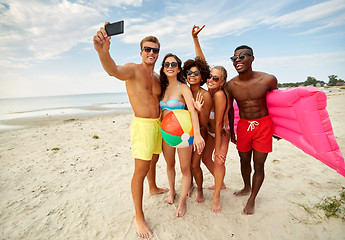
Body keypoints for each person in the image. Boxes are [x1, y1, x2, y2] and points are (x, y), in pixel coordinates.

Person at [93, 22, 168, 238]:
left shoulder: (156, 77)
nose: (151, 53)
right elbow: (113, 71)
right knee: (140, 171)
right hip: (143, 126)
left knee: (154, 159)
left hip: (158, 124)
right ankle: (139, 216)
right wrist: (103, 54)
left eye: (155, 50)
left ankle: (153, 187)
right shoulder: (133, 69)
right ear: (141, 51)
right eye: (147, 49)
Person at [224, 45, 278, 215]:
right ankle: (246, 186)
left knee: (259, 164)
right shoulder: (230, 85)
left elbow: (277, 104)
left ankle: (252, 198)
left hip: (263, 125)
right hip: (243, 126)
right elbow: (231, 110)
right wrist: (232, 131)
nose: (237, 61)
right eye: (234, 58)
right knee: (243, 160)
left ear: (252, 58)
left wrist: (279, 129)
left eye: (242, 57)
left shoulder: (268, 80)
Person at [159, 53, 205, 217]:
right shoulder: (161, 87)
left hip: (184, 134)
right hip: (167, 134)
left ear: (178, 68)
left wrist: (197, 135)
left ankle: (183, 202)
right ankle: (172, 191)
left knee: (185, 169)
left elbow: (192, 111)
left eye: (173, 64)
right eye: (166, 64)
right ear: (163, 68)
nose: (170, 67)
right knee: (169, 165)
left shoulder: (183, 87)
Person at [192, 25, 232, 212]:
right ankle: (220, 182)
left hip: (221, 133)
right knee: (205, 159)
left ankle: (216, 197)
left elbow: (218, 124)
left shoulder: (219, 95)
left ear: (222, 82)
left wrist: (218, 148)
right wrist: (195, 40)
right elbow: (202, 62)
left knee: (219, 160)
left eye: (215, 79)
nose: (210, 80)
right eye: (210, 77)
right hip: (210, 131)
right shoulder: (209, 91)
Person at [182, 56, 212, 203]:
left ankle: (200, 189)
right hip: (186, 134)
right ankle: (191, 184)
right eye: (189, 72)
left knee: (195, 164)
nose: (191, 75)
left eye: (196, 73)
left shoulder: (205, 94)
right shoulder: (184, 91)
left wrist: (198, 110)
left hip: (200, 132)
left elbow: (205, 122)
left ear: (202, 77)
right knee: (186, 164)